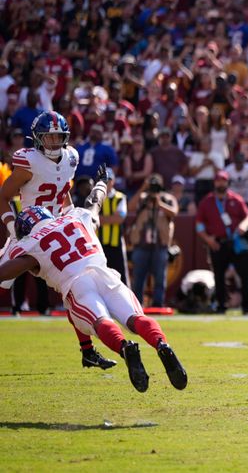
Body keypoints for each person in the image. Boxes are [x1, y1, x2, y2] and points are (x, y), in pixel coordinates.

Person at [0, 166, 186, 393]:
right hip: (106, 275)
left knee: (100, 322)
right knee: (136, 318)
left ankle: (126, 349)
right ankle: (162, 345)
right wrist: (102, 182)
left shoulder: (30, 243)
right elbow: (94, 201)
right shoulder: (77, 218)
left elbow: (8, 271)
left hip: (78, 285)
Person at [0, 110, 114, 370]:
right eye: (48, 137)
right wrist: (11, 228)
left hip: (56, 229)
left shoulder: (71, 157)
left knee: (73, 287)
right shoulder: (28, 161)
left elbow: (63, 193)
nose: (54, 142)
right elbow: (3, 196)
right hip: (28, 232)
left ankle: (88, 351)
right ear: (38, 139)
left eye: (58, 137)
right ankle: (88, 351)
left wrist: (70, 217)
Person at [196, 171, 248, 314]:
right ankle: (222, 306)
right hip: (218, 242)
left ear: (228, 182)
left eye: (223, 181)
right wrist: (207, 239)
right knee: (219, 276)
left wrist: (243, 226)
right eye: (218, 181)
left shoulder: (236, 199)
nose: (221, 183)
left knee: (246, 274)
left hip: (236, 241)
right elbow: (199, 224)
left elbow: (247, 217)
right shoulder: (207, 202)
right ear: (214, 183)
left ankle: (246, 307)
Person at [128, 174, 178, 307]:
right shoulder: (143, 198)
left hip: (160, 244)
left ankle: (158, 304)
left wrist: (159, 203)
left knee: (160, 277)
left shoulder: (167, 199)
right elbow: (130, 207)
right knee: (138, 277)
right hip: (141, 244)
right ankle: (137, 305)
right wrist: (143, 188)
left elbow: (174, 213)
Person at [97, 168, 128, 285]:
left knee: (121, 276)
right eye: (104, 180)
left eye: (108, 180)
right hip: (98, 244)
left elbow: (120, 218)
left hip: (116, 243)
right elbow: (91, 218)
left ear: (113, 181)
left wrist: (100, 219)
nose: (106, 183)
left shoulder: (120, 197)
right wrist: (111, 218)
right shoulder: (95, 196)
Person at [187, 136, 225, 204]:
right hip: (199, 183)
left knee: (213, 204)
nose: (204, 146)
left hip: (212, 182)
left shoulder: (218, 156)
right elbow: (191, 173)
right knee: (200, 203)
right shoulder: (195, 156)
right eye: (202, 144)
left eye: (206, 144)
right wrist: (203, 165)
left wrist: (212, 163)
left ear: (211, 145)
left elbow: (220, 174)